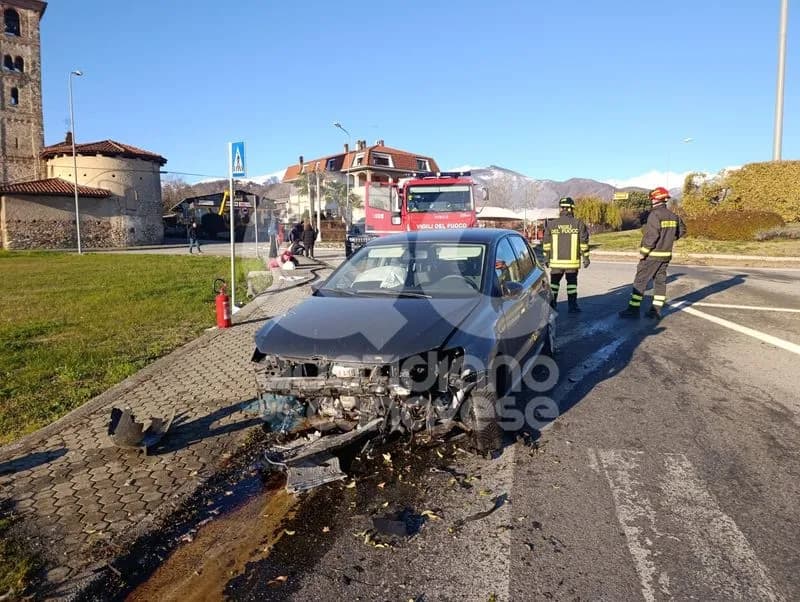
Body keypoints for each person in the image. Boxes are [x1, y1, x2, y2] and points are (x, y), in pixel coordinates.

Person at [619, 187, 687, 320]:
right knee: (660, 282)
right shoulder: (673, 215)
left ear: (655, 199)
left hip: (652, 255)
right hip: (665, 255)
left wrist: (643, 253)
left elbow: (652, 236)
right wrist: (669, 239)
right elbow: (682, 230)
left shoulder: (654, 215)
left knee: (640, 282)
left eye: (652, 199)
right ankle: (656, 310)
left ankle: (633, 310)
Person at [541, 197, 590, 313]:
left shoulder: (552, 224)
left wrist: (546, 258)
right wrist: (586, 258)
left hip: (555, 263)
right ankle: (572, 307)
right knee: (572, 284)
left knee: (554, 285)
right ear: (571, 208)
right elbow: (584, 243)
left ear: (561, 208)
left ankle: (552, 306)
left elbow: (546, 244)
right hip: (571, 264)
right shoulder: (578, 223)